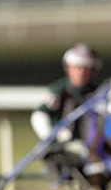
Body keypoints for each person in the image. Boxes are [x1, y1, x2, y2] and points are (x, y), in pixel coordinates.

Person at [30, 43, 102, 179]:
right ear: (68, 68)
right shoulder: (59, 91)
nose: (82, 72)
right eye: (77, 68)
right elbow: (39, 117)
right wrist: (56, 136)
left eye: (86, 68)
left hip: (88, 145)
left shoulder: (97, 93)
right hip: (62, 145)